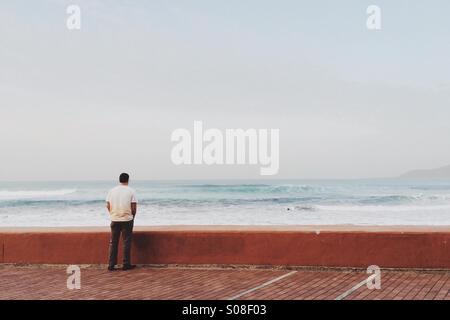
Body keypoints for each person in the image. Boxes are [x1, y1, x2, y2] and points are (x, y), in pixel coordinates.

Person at [105, 173, 137, 271]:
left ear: (119, 180)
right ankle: (126, 264)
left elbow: (107, 205)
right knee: (126, 242)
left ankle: (111, 264)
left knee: (113, 242)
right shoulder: (131, 191)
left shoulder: (112, 191)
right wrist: (132, 217)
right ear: (128, 180)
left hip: (114, 218)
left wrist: (112, 214)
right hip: (127, 219)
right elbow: (134, 207)